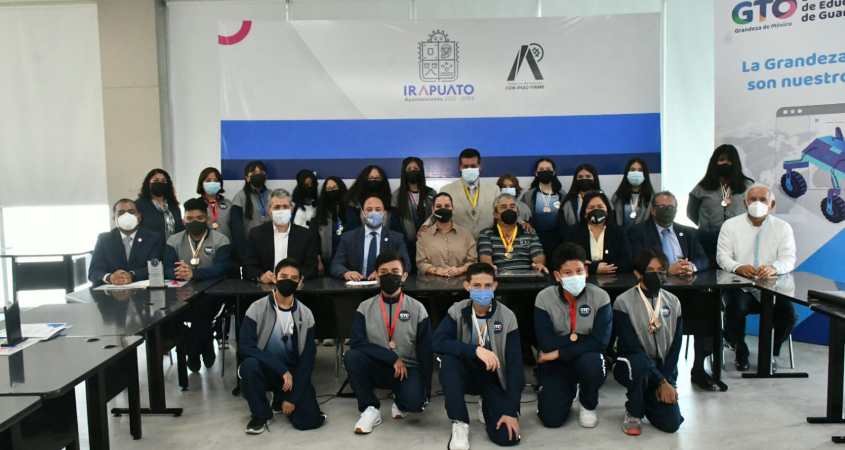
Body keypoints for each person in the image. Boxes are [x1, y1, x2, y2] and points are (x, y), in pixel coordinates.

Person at [433, 262, 524, 449]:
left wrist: (511, 410)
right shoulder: (457, 311)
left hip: (492, 379)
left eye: (487, 285)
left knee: (507, 437)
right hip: (464, 374)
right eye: (476, 285)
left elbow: (515, 366)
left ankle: (486, 404)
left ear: (495, 286)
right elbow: (437, 342)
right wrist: (475, 350)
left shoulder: (507, 317)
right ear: (467, 286)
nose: (482, 290)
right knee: (448, 361)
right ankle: (459, 422)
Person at [344, 250, 432, 434]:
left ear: (404, 276)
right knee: (352, 356)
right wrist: (391, 358)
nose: (389, 276)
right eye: (383, 272)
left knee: (415, 404)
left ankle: (401, 400)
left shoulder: (418, 308)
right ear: (376, 276)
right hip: (377, 365)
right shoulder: (364, 307)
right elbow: (357, 342)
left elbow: (426, 350)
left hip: (408, 368)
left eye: (395, 271)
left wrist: (426, 389)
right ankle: (370, 408)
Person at [238, 258, 326, 434]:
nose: (288, 281)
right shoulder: (256, 308)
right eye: (283, 276)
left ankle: (280, 398)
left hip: (292, 374)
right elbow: (246, 347)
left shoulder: (306, 314)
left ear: (300, 282)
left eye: (294, 278)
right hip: (265, 368)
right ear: (275, 278)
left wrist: (293, 398)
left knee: (309, 421)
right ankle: (261, 415)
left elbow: (308, 359)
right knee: (249, 365)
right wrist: (281, 369)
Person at [717, 184, 796, 372]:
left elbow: (788, 259)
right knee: (735, 309)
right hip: (740, 285)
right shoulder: (730, 225)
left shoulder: (783, 228)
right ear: (745, 203)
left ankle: (770, 353)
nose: (757, 203)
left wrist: (773, 268)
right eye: (753, 199)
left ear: (772, 205)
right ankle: (740, 349)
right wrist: (738, 267)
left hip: (772, 286)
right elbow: (722, 257)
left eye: (763, 200)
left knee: (788, 315)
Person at [534, 243, 611, 429]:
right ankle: (568, 388)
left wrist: (559, 352)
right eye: (568, 273)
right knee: (551, 420)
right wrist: (576, 338)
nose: (575, 276)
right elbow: (546, 342)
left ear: (586, 271)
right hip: (557, 364)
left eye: (579, 271)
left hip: (585, 358)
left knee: (592, 363)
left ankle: (588, 403)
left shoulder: (601, 297)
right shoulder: (544, 298)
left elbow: (600, 342)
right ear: (557, 276)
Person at [612, 248, 684, 436]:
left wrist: (666, 380)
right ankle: (634, 411)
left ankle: (647, 400)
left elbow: (676, 346)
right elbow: (631, 347)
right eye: (651, 270)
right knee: (638, 364)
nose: (657, 275)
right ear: (638, 274)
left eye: (661, 270)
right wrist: (661, 381)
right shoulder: (623, 302)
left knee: (672, 423)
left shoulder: (674, 302)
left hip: (662, 368)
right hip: (632, 364)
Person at [166, 198, 234, 371]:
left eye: (199, 218)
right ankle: (204, 345)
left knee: (201, 310)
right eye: (189, 218)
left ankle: (192, 352)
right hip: (181, 294)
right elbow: (166, 268)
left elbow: (222, 268)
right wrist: (180, 273)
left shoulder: (221, 240)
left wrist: (194, 273)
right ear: (184, 220)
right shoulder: (173, 240)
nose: (194, 222)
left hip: (212, 294)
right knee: (177, 314)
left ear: (207, 219)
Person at [687, 144, 754, 262]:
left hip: (739, 240)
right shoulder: (702, 187)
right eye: (721, 160)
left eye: (729, 160)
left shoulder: (748, 186)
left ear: (736, 163)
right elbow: (691, 213)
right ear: (714, 162)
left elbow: (754, 212)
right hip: (708, 241)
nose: (725, 163)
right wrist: (707, 226)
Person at [89, 199, 175, 286]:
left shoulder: (154, 238)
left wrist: (132, 275)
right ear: (114, 218)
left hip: (143, 292)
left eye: (131, 212)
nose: (126, 216)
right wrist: (110, 277)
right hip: (111, 291)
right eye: (121, 213)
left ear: (139, 217)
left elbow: (155, 266)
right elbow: (94, 272)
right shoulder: (104, 239)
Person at [243, 189, 319, 282]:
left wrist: (296, 277)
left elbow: (312, 267)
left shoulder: (306, 235)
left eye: (285, 207)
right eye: (277, 207)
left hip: (295, 286)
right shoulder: (256, 234)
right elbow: (248, 266)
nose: (281, 211)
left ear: (292, 209)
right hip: (266, 286)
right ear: (269, 210)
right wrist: (261, 276)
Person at [329, 194, 410, 281]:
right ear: (362, 213)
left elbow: (406, 264)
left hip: (384, 284)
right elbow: (336, 265)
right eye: (369, 209)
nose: (373, 213)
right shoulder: (348, 237)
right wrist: (346, 273)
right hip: (356, 285)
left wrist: (383, 273)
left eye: (378, 209)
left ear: (384, 213)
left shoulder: (396, 238)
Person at [477, 193, 547, 275]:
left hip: (526, 277)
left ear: (518, 212)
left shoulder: (529, 231)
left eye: (512, 207)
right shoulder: (486, 234)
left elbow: (538, 255)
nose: (509, 210)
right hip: (499, 278)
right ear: (495, 214)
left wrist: (539, 264)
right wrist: (489, 267)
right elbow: (486, 260)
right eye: (503, 207)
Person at [563, 191, 631, 275]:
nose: (596, 210)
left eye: (600, 206)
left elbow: (626, 261)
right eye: (591, 208)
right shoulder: (573, 232)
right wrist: (594, 268)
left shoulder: (618, 232)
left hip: (614, 278)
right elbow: (567, 260)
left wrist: (604, 268)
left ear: (607, 210)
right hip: (583, 278)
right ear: (584, 213)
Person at [440, 148, 500, 237]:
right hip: (458, 240)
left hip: (487, 241)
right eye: (465, 166)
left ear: (480, 166)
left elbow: (502, 213)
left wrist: (519, 223)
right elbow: (438, 214)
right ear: (460, 168)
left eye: (473, 166)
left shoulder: (494, 190)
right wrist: (426, 225)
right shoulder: (446, 190)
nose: (469, 169)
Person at [416, 192, 477, 278]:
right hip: (432, 283)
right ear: (433, 209)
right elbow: (420, 263)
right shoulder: (423, 236)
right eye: (438, 206)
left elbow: (473, 261)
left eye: (447, 206)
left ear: (452, 208)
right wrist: (438, 271)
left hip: (461, 283)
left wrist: (460, 270)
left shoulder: (466, 235)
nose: (443, 209)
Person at [392, 157, 437, 271]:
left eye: (416, 169)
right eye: (409, 169)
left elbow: (436, 219)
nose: (412, 171)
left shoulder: (431, 193)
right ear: (404, 172)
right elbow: (395, 225)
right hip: (406, 246)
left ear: (421, 171)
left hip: (429, 246)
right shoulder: (397, 196)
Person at [520, 158, 565, 257]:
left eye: (548, 169)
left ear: (554, 172)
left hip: (558, 240)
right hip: (535, 240)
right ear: (536, 173)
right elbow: (522, 217)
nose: (545, 171)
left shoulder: (562, 195)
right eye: (541, 169)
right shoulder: (528, 195)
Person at [135, 168, 183, 255]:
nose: (160, 183)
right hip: (149, 252)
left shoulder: (174, 206)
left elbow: (180, 230)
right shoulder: (139, 205)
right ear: (148, 183)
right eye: (156, 180)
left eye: (163, 181)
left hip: (173, 251)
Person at [231, 160, 271, 262]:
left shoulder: (272, 195)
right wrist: (242, 252)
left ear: (266, 176)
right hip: (250, 245)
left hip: (271, 243)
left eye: (261, 172)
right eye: (254, 173)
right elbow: (237, 229)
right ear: (247, 178)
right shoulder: (240, 197)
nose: (258, 175)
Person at [312, 176, 349, 275]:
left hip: (349, 260)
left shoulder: (350, 209)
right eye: (329, 189)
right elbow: (314, 238)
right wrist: (318, 261)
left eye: (334, 187)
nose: (332, 191)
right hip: (326, 261)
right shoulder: (320, 212)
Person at [343, 165, 392, 231]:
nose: (374, 180)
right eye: (370, 178)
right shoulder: (353, 202)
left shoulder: (390, 201)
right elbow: (352, 227)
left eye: (377, 178)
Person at [611, 158, 655, 228]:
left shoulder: (651, 197)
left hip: (644, 234)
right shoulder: (617, 197)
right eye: (632, 170)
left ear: (645, 174)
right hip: (621, 233)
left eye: (640, 170)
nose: (636, 173)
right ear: (627, 173)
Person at [195, 167, 233, 239]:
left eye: (215, 181)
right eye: (208, 181)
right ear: (201, 183)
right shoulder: (196, 205)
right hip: (204, 244)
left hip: (226, 244)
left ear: (220, 184)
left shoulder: (228, 204)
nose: (212, 183)